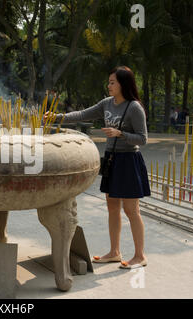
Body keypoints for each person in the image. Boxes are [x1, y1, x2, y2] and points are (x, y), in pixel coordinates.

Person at [44, 66, 150, 269]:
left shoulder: (134, 107)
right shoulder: (107, 103)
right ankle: (114, 252)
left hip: (129, 161)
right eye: (109, 82)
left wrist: (120, 134)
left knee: (131, 210)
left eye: (112, 82)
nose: (109, 85)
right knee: (112, 207)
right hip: (112, 160)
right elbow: (82, 114)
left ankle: (140, 255)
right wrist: (56, 117)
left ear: (123, 84)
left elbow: (143, 139)